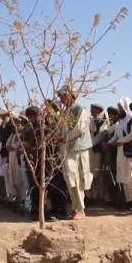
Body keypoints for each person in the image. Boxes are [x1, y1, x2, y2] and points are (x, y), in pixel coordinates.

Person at [58, 86, 93, 220]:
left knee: (77, 178)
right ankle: (74, 207)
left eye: (63, 96)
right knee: (70, 179)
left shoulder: (80, 110)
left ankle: (81, 209)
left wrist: (64, 138)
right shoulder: (65, 111)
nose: (61, 99)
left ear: (70, 95)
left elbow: (78, 129)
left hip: (77, 149)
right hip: (66, 149)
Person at [108, 97, 132, 212]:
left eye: (121, 107)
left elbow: (131, 135)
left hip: (129, 151)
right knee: (123, 178)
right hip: (120, 151)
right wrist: (110, 142)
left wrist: (121, 141)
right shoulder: (121, 121)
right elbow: (117, 135)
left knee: (131, 178)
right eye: (119, 108)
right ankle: (128, 202)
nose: (119, 110)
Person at [88, 103, 110, 203]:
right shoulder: (92, 122)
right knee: (91, 173)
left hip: (100, 151)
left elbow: (103, 135)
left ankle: (99, 196)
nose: (91, 111)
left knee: (98, 174)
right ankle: (91, 195)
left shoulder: (104, 122)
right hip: (91, 151)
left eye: (92, 109)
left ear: (97, 110)